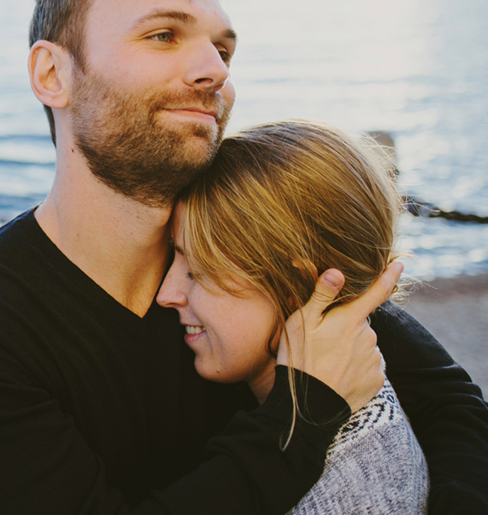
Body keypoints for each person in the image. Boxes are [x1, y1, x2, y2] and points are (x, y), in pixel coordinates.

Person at [0, 0, 488, 514]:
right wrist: (301, 414)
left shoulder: (251, 240)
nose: (214, 70)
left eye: (223, 50)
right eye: (163, 35)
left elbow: (452, 405)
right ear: (52, 75)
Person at [157, 119, 429, 514]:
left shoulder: (342, 495)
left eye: (198, 271)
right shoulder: (372, 412)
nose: (167, 293)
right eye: (172, 256)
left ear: (297, 287)